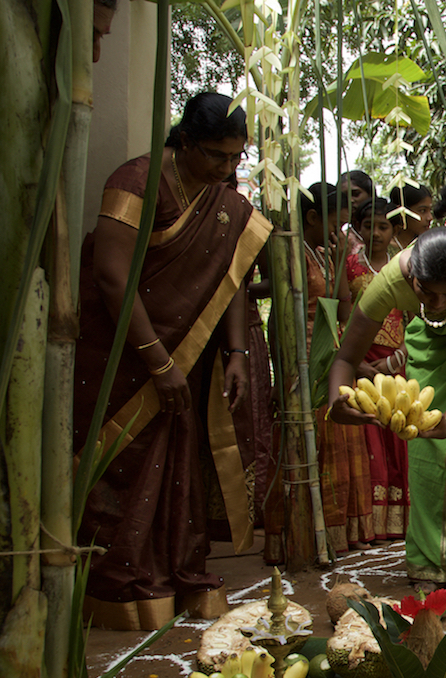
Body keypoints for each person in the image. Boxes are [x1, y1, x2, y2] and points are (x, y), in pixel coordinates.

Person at [74, 91, 271, 630]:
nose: (227, 169)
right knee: (123, 462)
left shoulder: (222, 199)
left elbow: (231, 281)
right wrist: (158, 362)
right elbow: (112, 277)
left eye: (236, 157)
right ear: (184, 141)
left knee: (176, 463)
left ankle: (175, 569)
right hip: (123, 354)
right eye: (216, 156)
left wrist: (235, 352)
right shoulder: (136, 183)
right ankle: (119, 582)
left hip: (187, 354)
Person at [327, 228, 446, 583]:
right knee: (424, 450)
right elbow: (347, 358)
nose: (438, 302)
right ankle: (428, 561)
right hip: (430, 336)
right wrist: (338, 398)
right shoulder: (389, 281)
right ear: (411, 274)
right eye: (426, 291)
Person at [265, 182, 374, 562]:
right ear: (311, 217)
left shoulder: (327, 256)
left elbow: (343, 311)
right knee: (305, 445)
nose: (337, 232)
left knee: (337, 440)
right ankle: (298, 535)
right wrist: (281, 370)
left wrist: (341, 259)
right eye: (334, 224)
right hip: (300, 358)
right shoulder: (289, 253)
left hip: (329, 356)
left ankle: (335, 532)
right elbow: (278, 313)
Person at [345, 196, 411, 540]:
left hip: (394, 364)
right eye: (368, 226)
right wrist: (358, 365)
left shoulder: (403, 268)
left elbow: (416, 321)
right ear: (359, 228)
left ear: (394, 230)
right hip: (359, 362)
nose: (375, 233)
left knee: (395, 433)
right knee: (367, 433)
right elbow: (341, 316)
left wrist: (391, 362)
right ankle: (369, 523)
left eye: (383, 226)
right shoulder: (349, 267)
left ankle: (396, 522)